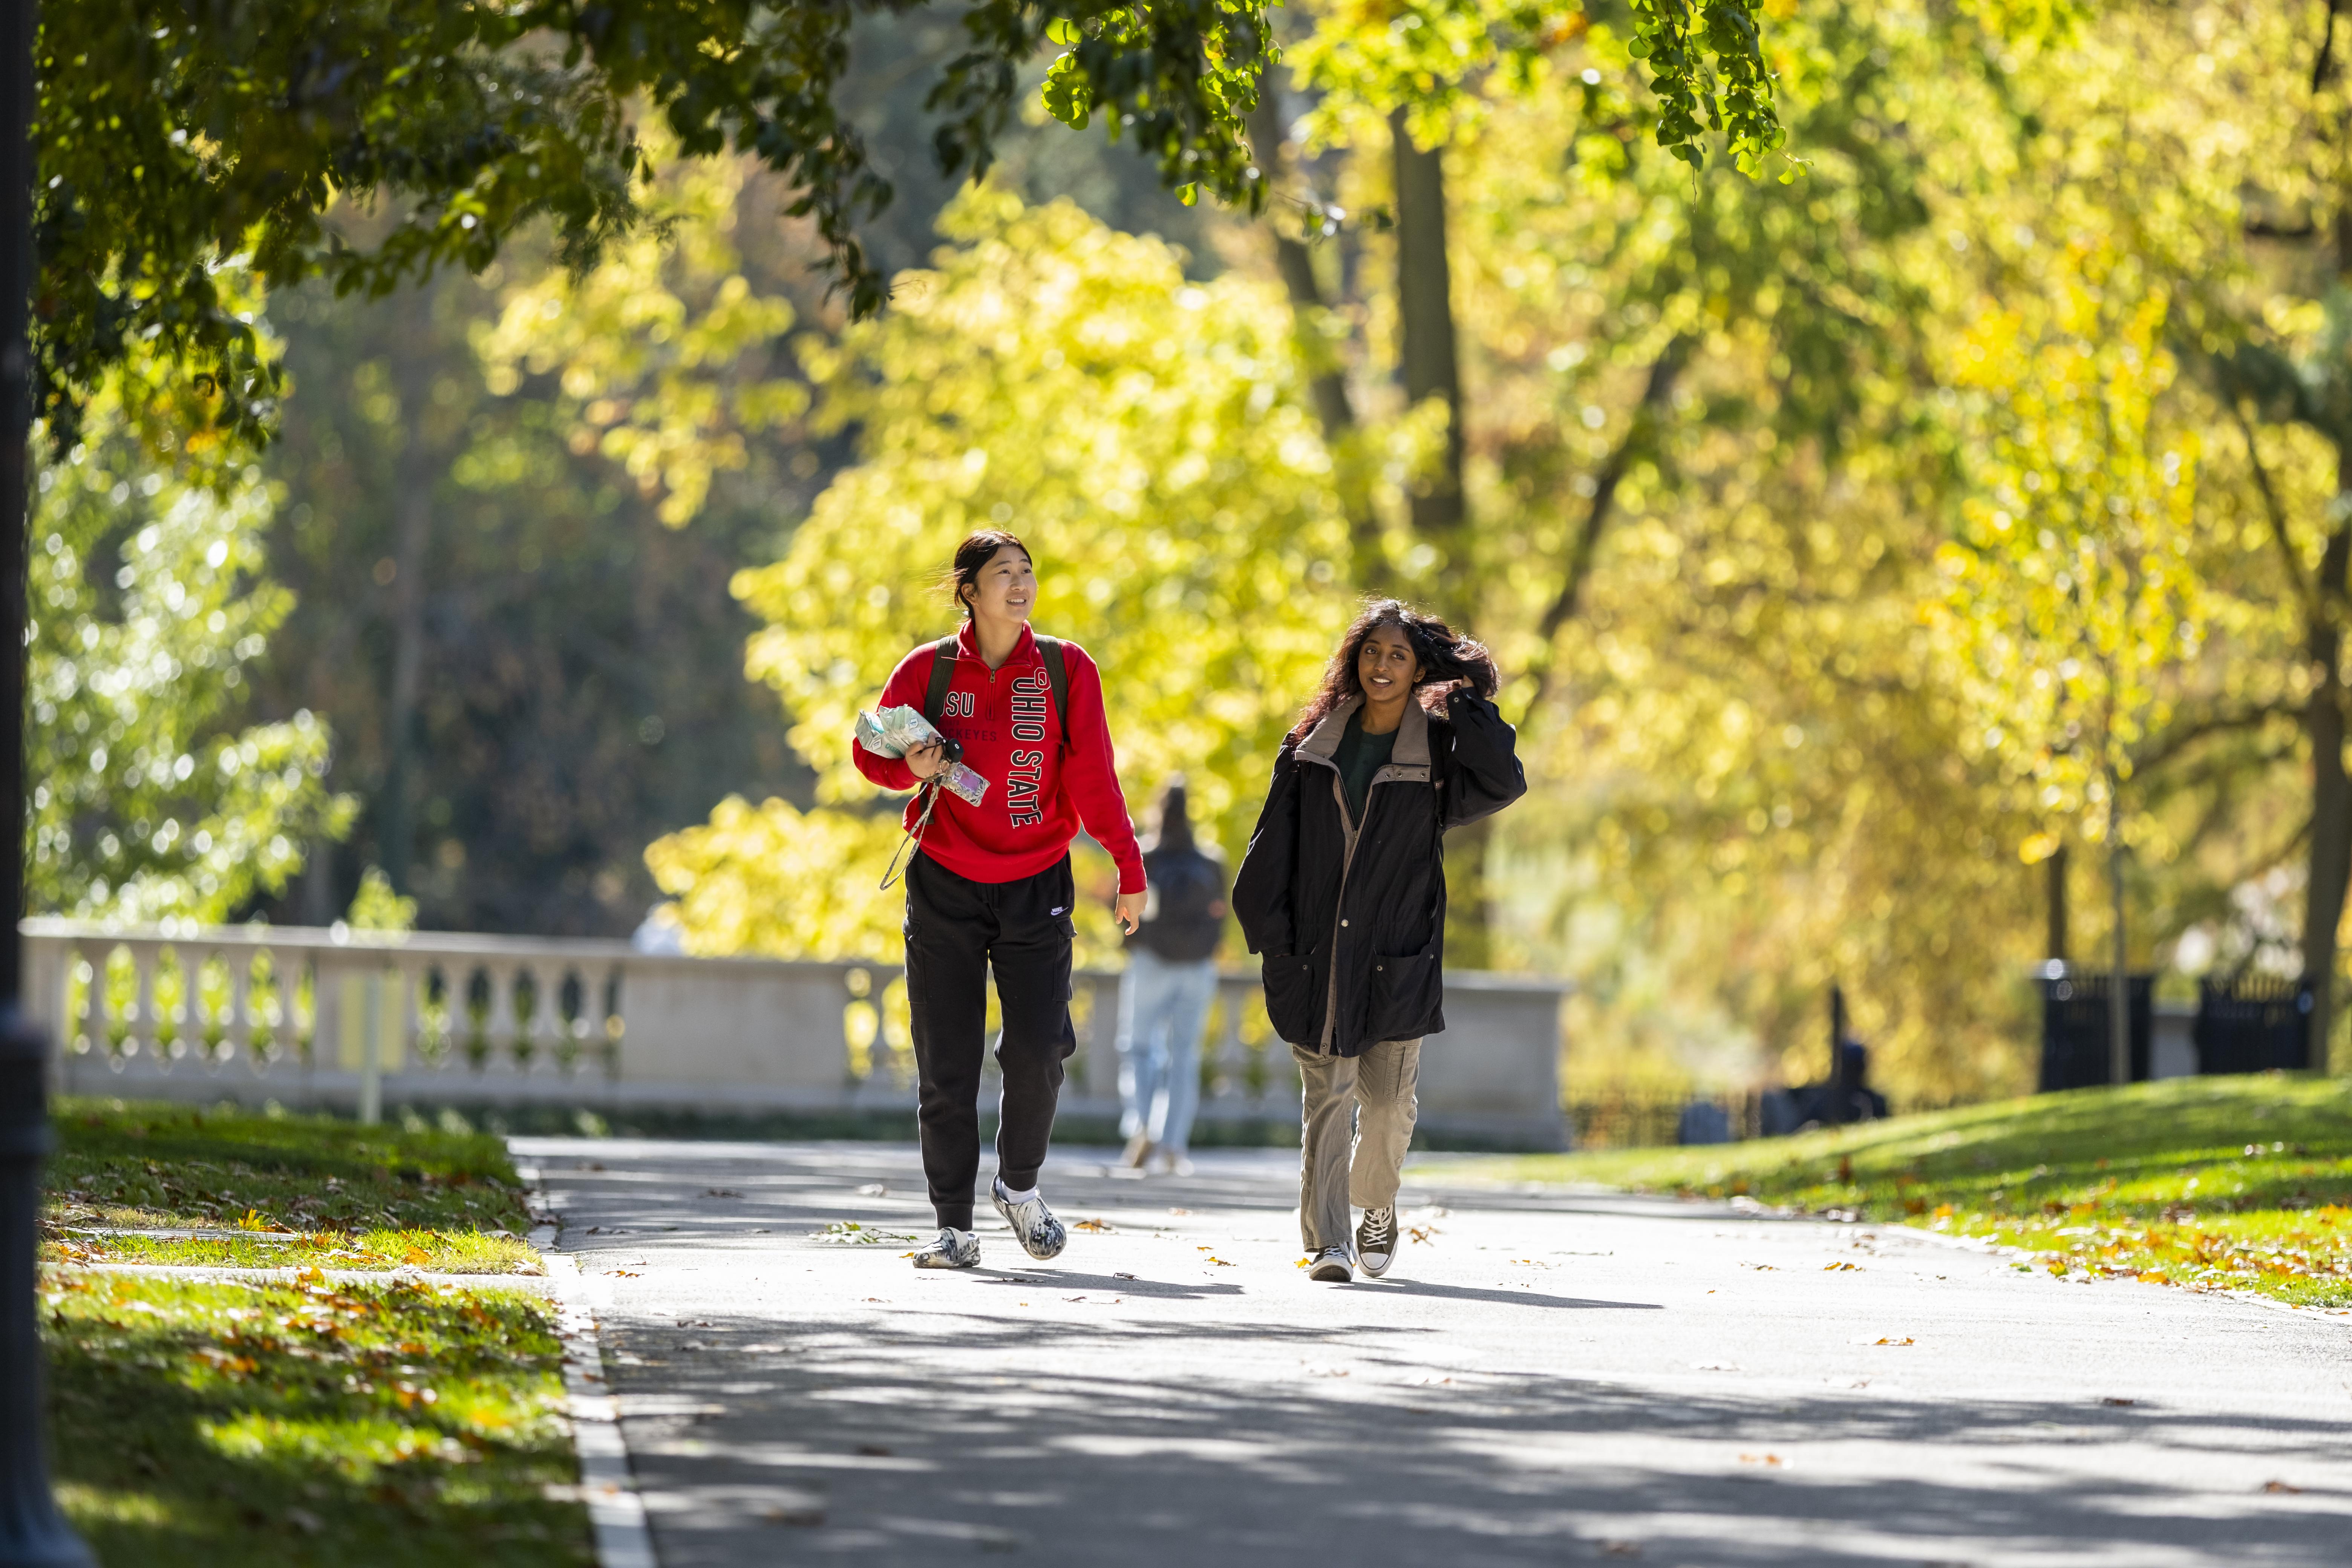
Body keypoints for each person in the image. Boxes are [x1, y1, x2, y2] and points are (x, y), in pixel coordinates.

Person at [854, 530, 1148, 1269]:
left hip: (1037, 882)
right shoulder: (927, 669)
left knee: (1041, 1050)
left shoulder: (1066, 666)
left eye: (1027, 573)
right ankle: (953, 1228)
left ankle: (1018, 1186)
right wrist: (910, 763)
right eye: (1002, 574)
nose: (1019, 584)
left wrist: (1128, 864)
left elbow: (1093, 776)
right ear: (970, 590)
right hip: (945, 881)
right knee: (944, 1064)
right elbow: (870, 752)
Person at [1232, 599, 1526, 1283]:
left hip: (1399, 954)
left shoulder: (1442, 755)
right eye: (1371, 652)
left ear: (1419, 666)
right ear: (1354, 660)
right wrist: (1275, 939)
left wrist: (1468, 698)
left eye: (1398, 655)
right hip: (1317, 954)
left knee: (1389, 1104)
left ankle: (1376, 1207)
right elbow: (1271, 843)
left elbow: (1505, 781)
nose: (1382, 666)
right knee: (1327, 1098)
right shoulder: (1312, 744)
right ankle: (1328, 1242)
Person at [1114, 778, 1227, 1175]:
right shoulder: (1212, 860)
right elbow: (1222, 917)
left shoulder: (1144, 856)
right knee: (1184, 1056)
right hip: (1198, 967)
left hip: (1150, 962)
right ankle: (1174, 1145)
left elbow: (1127, 914)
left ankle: (1142, 1124)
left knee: (1140, 1048)